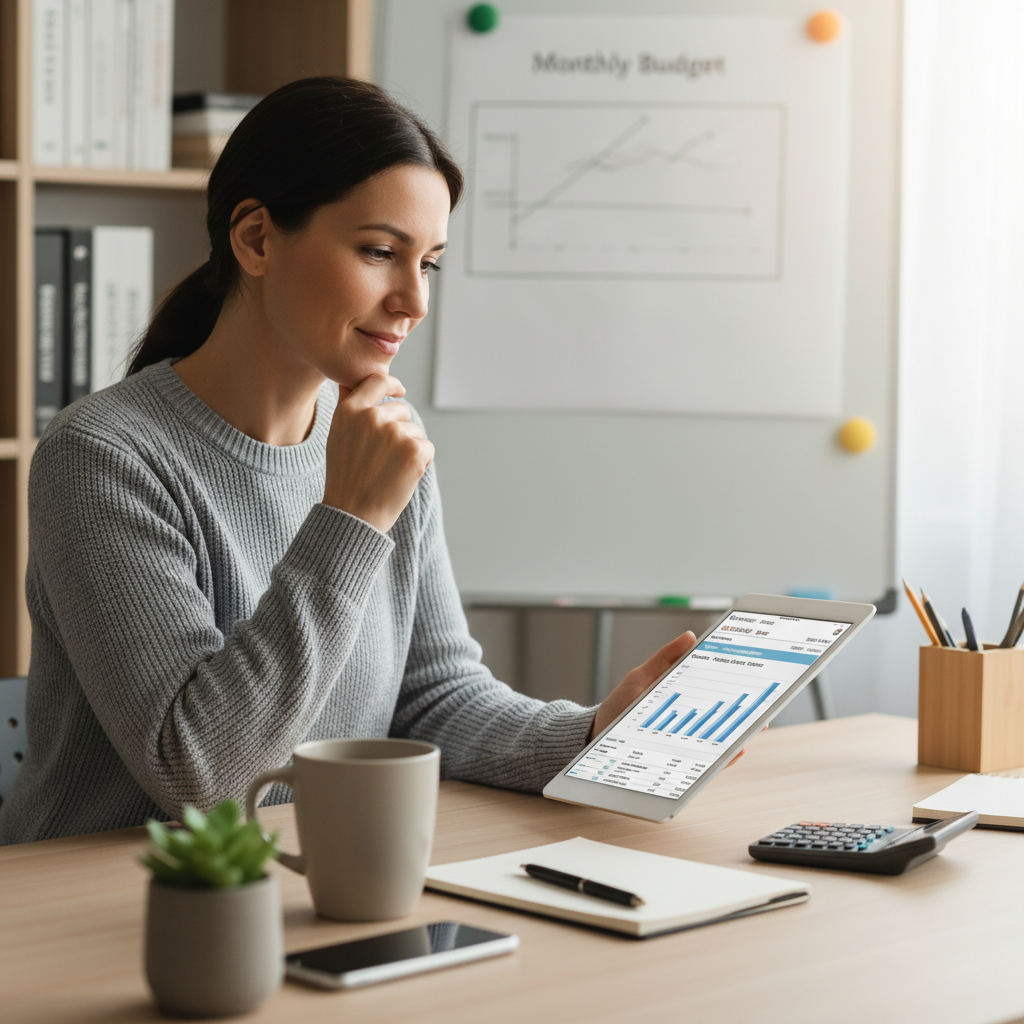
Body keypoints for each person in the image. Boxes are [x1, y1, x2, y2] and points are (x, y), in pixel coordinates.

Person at [0, 78, 699, 846]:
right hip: (110, 908)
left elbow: (435, 698)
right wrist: (350, 515)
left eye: (427, 263)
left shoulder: (380, 437)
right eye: (379, 252)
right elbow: (204, 776)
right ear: (257, 238)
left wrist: (595, 733)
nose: (413, 301)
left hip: (313, 877)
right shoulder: (102, 458)